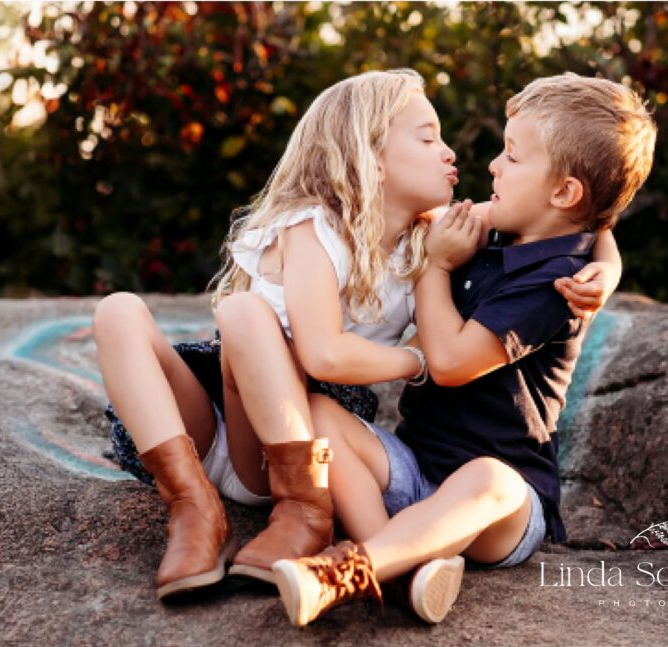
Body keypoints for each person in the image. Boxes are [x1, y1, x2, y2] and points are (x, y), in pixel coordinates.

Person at [92, 69, 623, 600]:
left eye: (509, 154)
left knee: (489, 478)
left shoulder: (459, 241)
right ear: (370, 156)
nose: (459, 155)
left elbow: (577, 216)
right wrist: (415, 355)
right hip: (244, 426)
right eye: (427, 137)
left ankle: (355, 556)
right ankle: (194, 507)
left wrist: (606, 262)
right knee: (143, 312)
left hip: (325, 455)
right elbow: (325, 353)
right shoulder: (324, 227)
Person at [268, 72, 658, 627]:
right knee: (317, 414)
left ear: (564, 192)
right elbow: (592, 221)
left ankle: (348, 571)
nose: (494, 166)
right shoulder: (500, 226)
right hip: (415, 468)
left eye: (513, 157)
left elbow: (448, 364)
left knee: (490, 478)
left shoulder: (557, 283)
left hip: (499, 510)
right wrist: (610, 254)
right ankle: (401, 564)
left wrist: (438, 264)